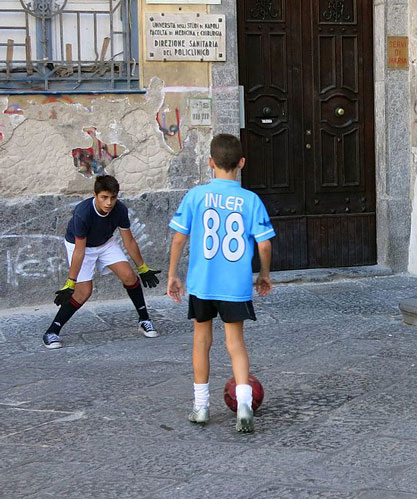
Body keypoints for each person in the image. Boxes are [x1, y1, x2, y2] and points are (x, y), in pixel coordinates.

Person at [166, 134, 275, 433]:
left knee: (201, 341)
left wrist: (173, 274)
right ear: (242, 163)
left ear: (210, 162)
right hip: (235, 285)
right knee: (235, 344)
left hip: (202, 283)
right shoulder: (251, 200)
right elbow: (264, 245)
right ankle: (243, 405)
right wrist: (264, 274)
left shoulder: (196, 196)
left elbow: (179, 237)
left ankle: (201, 407)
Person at [42, 175, 160, 349]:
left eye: (113, 197)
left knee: (129, 276)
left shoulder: (120, 210)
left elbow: (129, 241)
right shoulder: (83, 214)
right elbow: (80, 250)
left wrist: (142, 268)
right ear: (95, 195)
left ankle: (144, 320)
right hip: (80, 247)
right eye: (104, 197)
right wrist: (71, 282)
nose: (109, 202)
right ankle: (52, 332)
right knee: (83, 292)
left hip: (105, 243)